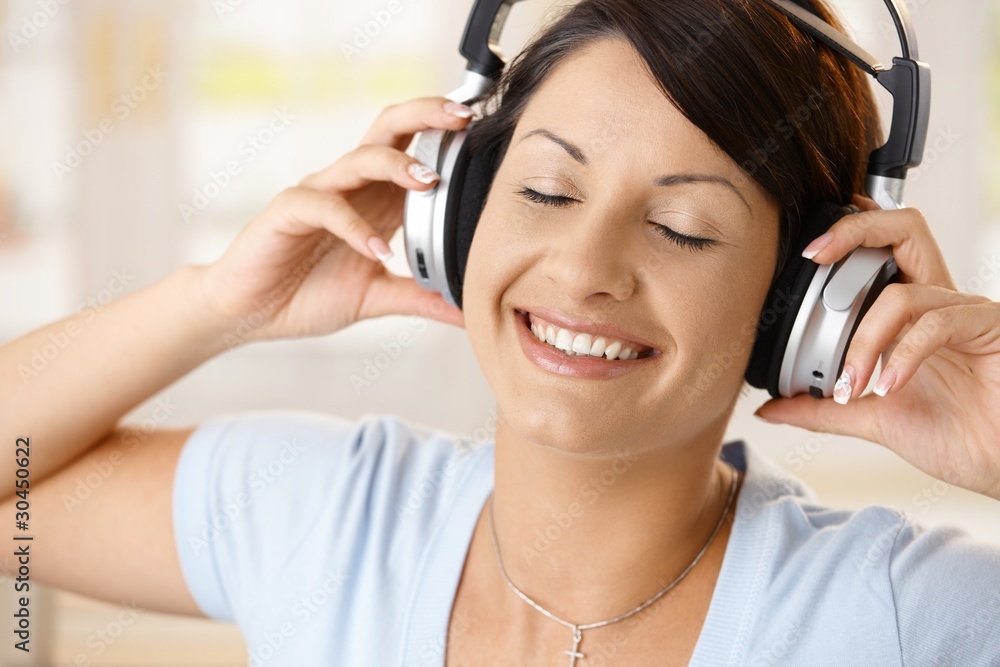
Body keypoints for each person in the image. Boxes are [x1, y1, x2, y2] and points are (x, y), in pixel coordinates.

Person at [2, 0, 999, 664]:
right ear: (458, 209)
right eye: (545, 188)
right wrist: (218, 300)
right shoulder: (329, 516)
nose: (582, 268)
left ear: (803, 303)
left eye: (680, 227)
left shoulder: (902, 617)